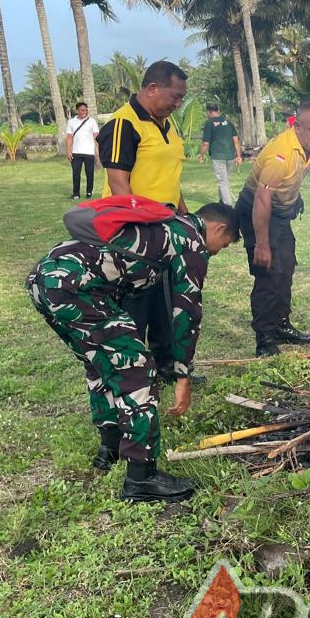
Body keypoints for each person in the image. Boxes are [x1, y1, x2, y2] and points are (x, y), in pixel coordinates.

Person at [26, 202, 239, 502]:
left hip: (45, 279)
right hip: (76, 286)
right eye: (224, 245)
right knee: (138, 373)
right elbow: (187, 311)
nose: (217, 252)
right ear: (218, 228)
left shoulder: (165, 227)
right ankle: (142, 477)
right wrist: (182, 374)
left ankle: (110, 447)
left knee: (101, 363)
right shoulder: (191, 240)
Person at [97, 60, 190, 380]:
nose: (178, 104)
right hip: (135, 230)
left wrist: (185, 218)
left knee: (165, 298)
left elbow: (170, 177)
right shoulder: (123, 124)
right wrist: (138, 231)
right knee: (137, 301)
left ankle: (165, 364)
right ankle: (133, 372)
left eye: (181, 99)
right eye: (175, 97)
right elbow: (118, 184)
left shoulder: (167, 123)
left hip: (166, 225)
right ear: (152, 88)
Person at [237, 100, 310, 356]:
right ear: (297, 126)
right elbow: (261, 198)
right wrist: (262, 244)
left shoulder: (307, 146)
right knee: (268, 271)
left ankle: (280, 325)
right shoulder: (281, 154)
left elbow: (291, 178)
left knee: (286, 266)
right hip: (256, 210)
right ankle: (264, 338)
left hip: (278, 214)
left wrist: (293, 199)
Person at [198, 103, 242, 205]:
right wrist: (239, 156)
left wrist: (201, 155)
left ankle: (227, 206)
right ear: (218, 111)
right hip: (230, 156)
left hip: (218, 157)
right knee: (224, 181)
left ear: (208, 112)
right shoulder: (229, 123)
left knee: (223, 181)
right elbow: (236, 141)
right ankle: (221, 202)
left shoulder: (209, 123)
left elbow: (205, 143)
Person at [66, 101, 101, 199]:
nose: (85, 112)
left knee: (89, 173)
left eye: (86, 110)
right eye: (82, 110)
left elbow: (96, 137)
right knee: (76, 174)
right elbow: (69, 137)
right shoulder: (71, 122)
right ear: (77, 110)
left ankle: (89, 193)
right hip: (76, 152)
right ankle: (76, 194)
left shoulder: (92, 121)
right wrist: (68, 151)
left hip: (89, 152)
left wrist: (97, 152)